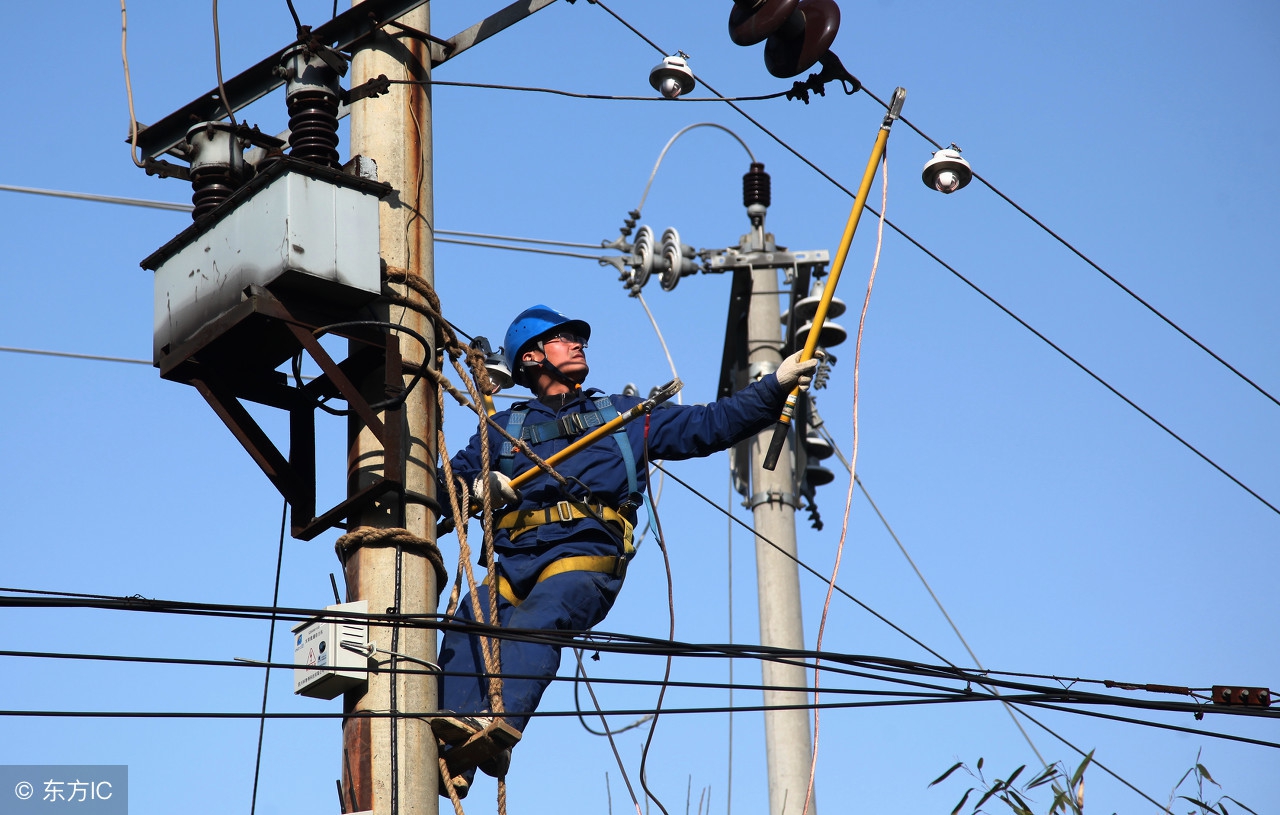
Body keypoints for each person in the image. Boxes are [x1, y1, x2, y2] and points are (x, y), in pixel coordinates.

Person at [434, 304, 818, 795]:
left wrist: (774, 386)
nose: (578, 344)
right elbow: (444, 484)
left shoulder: (622, 416)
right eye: (563, 338)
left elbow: (710, 424)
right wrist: (475, 487)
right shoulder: (502, 430)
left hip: (580, 557)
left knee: (541, 618)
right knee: (470, 620)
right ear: (531, 357)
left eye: (578, 338)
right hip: (513, 564)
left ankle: (495, 727)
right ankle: (450, 746)